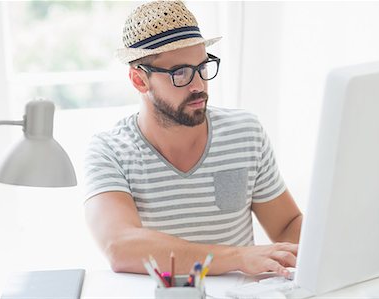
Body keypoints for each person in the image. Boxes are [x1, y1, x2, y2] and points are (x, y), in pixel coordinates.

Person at [84, 0, 302, 278]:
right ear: (139, 81)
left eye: (203, 66)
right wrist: (236, 257)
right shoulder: (109, 151)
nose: (199, 85)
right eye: (181, 73)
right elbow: (120, 246)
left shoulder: (245, 132)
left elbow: (286, 225)